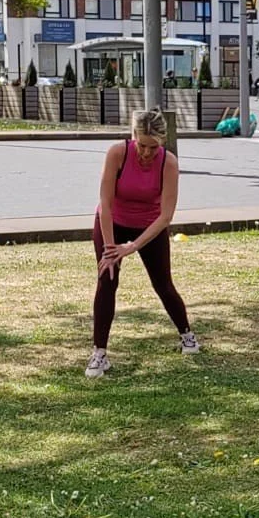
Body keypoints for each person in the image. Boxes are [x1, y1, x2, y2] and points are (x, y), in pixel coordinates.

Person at [88, 108, 197, 378]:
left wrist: (132, 246)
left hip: (149, 225)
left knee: (163, 283)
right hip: (113, 220)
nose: (147, 153)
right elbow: (106, 204)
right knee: (107, 278)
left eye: (153, 147)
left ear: (162, 142)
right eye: (142, 145)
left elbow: (166, 216)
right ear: (133, 135)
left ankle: (187, 335)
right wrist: (111, 250)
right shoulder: (117, 153)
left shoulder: (168, 163)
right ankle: (99, 353)